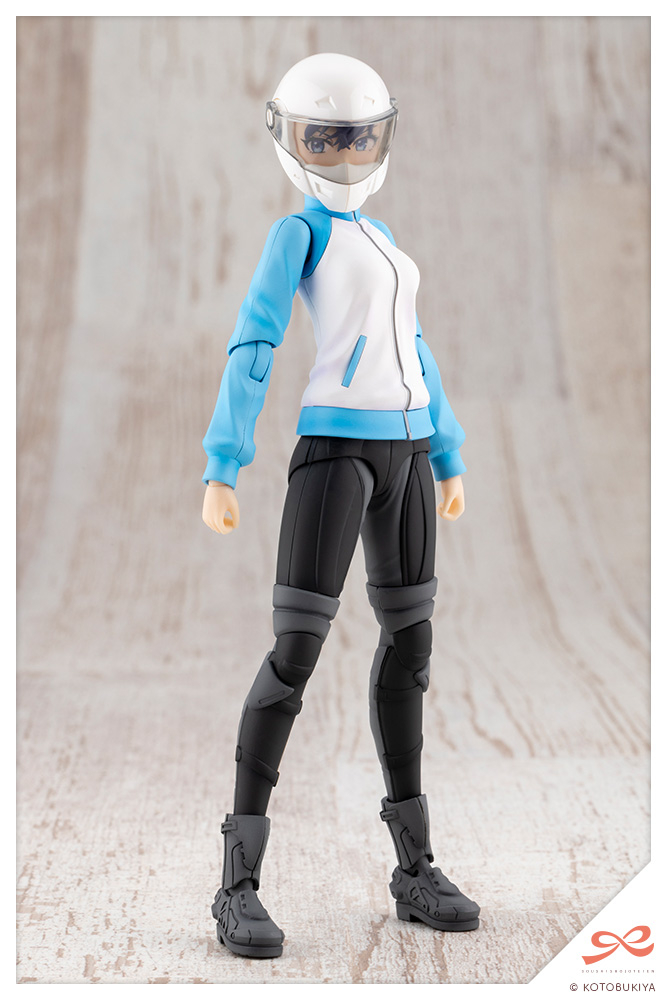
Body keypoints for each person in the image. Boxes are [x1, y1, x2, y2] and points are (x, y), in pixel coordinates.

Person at [202, 53, 480, 959]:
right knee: (295, 654)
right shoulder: (299, 233)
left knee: (411, 648)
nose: (346, 157)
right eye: (325, 139)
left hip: (406, 453)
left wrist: (446, 450)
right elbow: (255, 339)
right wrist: (223, 461)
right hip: (334, 453)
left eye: (360, 138)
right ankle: (236, 883)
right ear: (292, 143)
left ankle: (414, 867)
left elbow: (415, 347)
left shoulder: (385, 237)